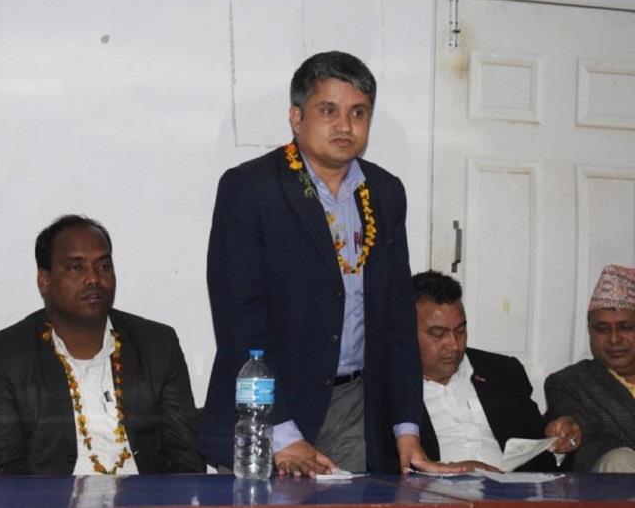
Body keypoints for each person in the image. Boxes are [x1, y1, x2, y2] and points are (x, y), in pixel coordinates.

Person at [201, 51, 452, 475]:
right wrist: (282, 432)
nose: (345, 125)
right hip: (269, 412)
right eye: (328, 110)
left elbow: (395, 319)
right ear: (296, 117)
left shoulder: (385, 192)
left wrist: (406, 429)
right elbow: (238, 323)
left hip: (354, 407)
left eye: (358, 112)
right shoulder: (251, 188)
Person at [0, 215, 205, 475]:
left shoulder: (158, 345)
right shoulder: (1, 357)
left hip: (147, 496)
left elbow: (186, 461)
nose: (93, 279)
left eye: (103, 266)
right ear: (44, 280)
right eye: (76, 268)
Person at [413, 270, 580, 472]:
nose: (454, 345)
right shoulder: (388, 388)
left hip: (511, 488)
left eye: (460, 331)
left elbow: (539, 456)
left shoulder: (503, 372)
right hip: (435, 490)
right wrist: (455, 471)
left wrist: (559, 442)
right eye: (438, 334)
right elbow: (389, 467)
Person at [545, 264, 635, 472]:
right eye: (602, 329)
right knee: (618, 460)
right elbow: (578, 434)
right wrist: (568, 432)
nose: (614, 339)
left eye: (626, 327)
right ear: (589, 331)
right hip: (619, 475)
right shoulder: (571, 382)